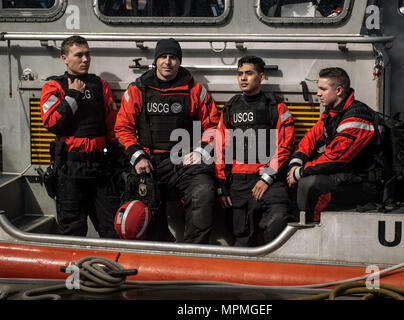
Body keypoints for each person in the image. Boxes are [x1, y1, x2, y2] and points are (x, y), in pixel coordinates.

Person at [115, 38, 219, 244]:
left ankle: (192, 252)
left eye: (173, 57)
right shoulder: (138, 89)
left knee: (204, 191)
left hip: (185, 164)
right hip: (149, 164)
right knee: (144, 213)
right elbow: (122, 128)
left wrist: (200, 152)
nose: (168, 62)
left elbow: (213, 126)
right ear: (156, 60)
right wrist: (138, 158)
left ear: (179, 61)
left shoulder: (194, 90)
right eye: (163, 57)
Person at [40, 35, 122, 238]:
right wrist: (72, 95)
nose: (85, 59)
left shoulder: (99, 85)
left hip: (100, 168)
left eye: (87, 54)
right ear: (64, 58)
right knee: (72, 230)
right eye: (79, 55)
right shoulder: (54, 87)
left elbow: (112, 125)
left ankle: (107, 269)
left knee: (111, 229)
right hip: (70, 170)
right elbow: (53, 123)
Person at [215, 55, 296, 247]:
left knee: (278, 219)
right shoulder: (231, 108)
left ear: (261, 77)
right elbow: (220, 148)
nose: (243, 78)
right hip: (238, 183)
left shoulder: (275, 106)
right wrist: (222, 185)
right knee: (241, 238)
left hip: (270, 181)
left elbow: (286, 144)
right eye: (240, 74)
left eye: (249, 73)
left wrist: (267, 177)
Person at [287, 67, 381, 223]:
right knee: (290, 170)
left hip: (363, 184)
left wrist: (299, 172)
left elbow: (335, 158)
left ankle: (310, 227)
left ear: (338, 90)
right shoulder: (331, 114)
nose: (318, 93)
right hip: (344, 176)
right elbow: (309, 139)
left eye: (323, 89)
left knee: (310, 183)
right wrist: (295, 163)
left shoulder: (357, 117)